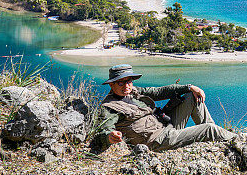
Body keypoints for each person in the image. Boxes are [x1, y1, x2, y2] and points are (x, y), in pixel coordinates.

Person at [93, 64, 235, 152]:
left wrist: (189, 87)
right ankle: (240, 141)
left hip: (166, 126)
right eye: (120, 83)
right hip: (158, 141)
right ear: (111, 84)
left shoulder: (134, 92)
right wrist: (110, 137)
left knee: (191, 97)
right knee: (209, 129)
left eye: (128, 81)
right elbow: (105, 130)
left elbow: (160, 91)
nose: (126, 86)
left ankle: (218, 137)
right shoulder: (109, 107)